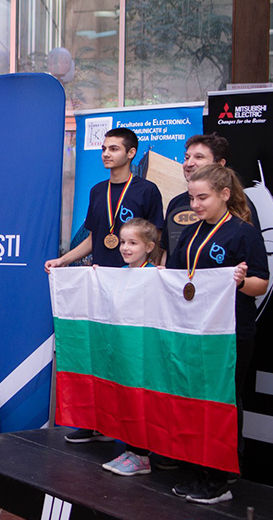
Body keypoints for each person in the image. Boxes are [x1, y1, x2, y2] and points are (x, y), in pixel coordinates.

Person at [45, 127, 164, 442]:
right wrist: (64, 260)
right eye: (104, 149)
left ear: (131, 153)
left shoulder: (147, 190)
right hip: (99, 285)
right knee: (98, 352)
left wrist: (152, 274)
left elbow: (157, 240)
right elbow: (96, 237)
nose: (106, 154)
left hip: (133, 288)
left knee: (128, 356)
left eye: (114, 149)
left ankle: (127, 428)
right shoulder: (98, 191)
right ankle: (92, 421)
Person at [166, 164, 268, 504]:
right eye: (192, 197)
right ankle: (200, 470)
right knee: (196, 404)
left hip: (232, 335)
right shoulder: (192, 233)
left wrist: (240, 281)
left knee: (222, 404)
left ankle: (220, 480)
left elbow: (260, 284)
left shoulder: (244, 232)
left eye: (203, 197)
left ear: (225, 194)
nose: (195, 205)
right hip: (195, 332)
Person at [99, 218, 158, 476]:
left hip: (144, 352)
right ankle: (131, 451)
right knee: (126, 398)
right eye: (123, 242)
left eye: (133, 243)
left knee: (141, 399)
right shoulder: (120, 273)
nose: (125, 247)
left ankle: (141, 455)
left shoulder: (156, 275)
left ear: (149, 246)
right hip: (125, 350)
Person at [162, 133, 260, 264]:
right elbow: (166, 252)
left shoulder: (240, 203)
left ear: (220, 163)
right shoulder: (176, 203)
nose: (189, 163)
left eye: (199, 157)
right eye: (186, 157)